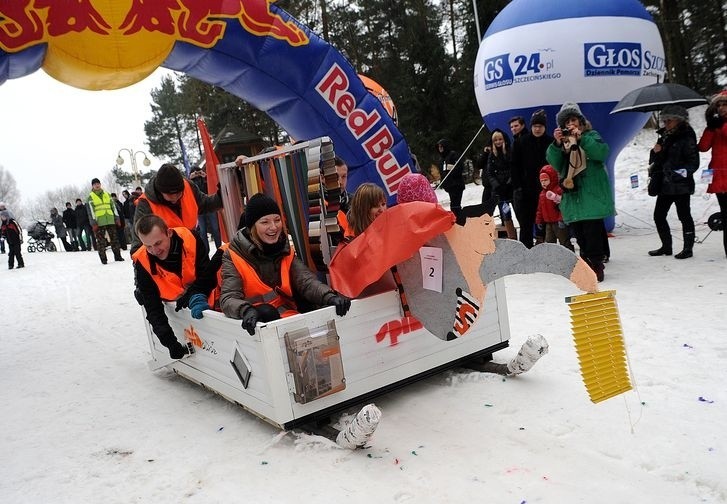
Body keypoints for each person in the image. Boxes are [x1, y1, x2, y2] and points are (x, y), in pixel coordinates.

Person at [219, 193, 351, 335]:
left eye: (277, 220)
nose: (274, 227)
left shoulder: (285, 249)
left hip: (288, 321)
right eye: (265, 222)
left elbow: (306, 282)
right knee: (267, 312)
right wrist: (246, 310)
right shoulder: (233, 255)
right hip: (254, 326)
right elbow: (228, 298)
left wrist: (329, 296)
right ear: (252, 227)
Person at [133, 215, 219, 359]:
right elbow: (153, 308)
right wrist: (170, 343)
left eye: (158, 243)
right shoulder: (142, 262)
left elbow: (207, 275)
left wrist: (191, 294)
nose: (154, 250)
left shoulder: (191, 239)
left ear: (169, 233)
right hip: (175, 305)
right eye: (148, 246)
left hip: (205, 296)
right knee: (142, 295)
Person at [546, 102, 614, 281]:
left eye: (573, 120)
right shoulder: (564, 144)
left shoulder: (591, 136)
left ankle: (596, 265)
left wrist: (582, 139)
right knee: (580, 236)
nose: (570, 125)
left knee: (593, 235)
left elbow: (601, 153)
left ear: (581, 122)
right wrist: (556, 143)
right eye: (566, 122)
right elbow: (555, 164)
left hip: (591, 195)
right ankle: (585, 263)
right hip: (573, 197)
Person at [131, 164, 223, 254]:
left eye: (178, 193)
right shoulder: (145, 204)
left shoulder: (188, 187)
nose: (175, 198)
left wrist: (222, 194)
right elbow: (138, 245)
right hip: (167, 261)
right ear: (160, 191)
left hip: (192, 252)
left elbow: (206, 203)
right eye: (170, 195)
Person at [646, 104, 700, 259]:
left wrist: (677, 174)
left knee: (684, 216)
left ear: (679, 120)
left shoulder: (687, 136)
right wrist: (655, 152)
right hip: (664, 183)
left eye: (669, 120)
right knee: (659, 215)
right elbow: (656, 160)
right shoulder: (664, 135)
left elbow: (693, 163)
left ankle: (688, 248)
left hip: (680, 185)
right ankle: (666, 246)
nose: (666, 123)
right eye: (665, 120)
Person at [511, 109, 553, 248]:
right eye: (535, 126)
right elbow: (514, 166)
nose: (537, 129)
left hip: (546, 189)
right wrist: (518, 186)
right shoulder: (520, 142)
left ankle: (546, 246)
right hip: (526, 189)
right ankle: (525, 248)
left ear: (544, 127)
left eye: (540, 126)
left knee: (546, 221)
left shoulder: (550, 143)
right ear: (531, 127)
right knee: (526, 222)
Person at [698, 90, 727, 258]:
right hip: (718, 175)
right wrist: (710, 128)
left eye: (725, 104)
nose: (722, 108)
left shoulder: (722, 125)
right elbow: (703, 147)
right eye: (719, 105)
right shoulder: (715, 124)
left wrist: (721, 125)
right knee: (725, 214)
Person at [486, 129, 517, 239]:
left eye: (500, 139)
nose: (498, 142)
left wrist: (509, 183)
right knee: (506, 216)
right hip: (499, 191)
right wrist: (497, 185)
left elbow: (514, 168)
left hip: (511, 188)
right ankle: (512, 237)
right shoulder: (491, 155)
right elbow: (489, 173)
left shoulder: (510, 151)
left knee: (519, 213)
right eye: (496, 140)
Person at [535, 165, 574, 250]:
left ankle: (571, 257)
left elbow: (563, 206)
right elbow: (540, 209)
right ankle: (550, 259)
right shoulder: (542, 194)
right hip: (548, 223)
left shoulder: (558, 190)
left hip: (558, 222)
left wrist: (562, 219)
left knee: (564, 241)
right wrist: (539, 221)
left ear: (552, 179)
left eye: (545, 180)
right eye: (541, 181)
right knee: (549, 242)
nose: (543, 183)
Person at [87, 177, 124, 264]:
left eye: (98, 183)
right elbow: (90, 211)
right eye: (95, 184)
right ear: (92, 186)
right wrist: (93, 223)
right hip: (99, 222)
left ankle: (118, 256)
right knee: (101, 242)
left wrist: (117, 218)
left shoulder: (107, 194)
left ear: (100, 184)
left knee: (114, 239)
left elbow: (113, 207)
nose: (97, 185)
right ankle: (104, 259)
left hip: (110, 220)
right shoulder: (90, 197)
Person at [190, 166, 222, 254]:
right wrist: (190, 178)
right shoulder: (190, 183)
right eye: (195, 172)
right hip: (198, 209)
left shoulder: (205, 179)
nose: (197, 174)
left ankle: (220, 249)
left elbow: (212, 187)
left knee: (215, 228)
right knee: (203, 231)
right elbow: (189, 191)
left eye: (198, 172)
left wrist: (206, 177)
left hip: (209, 204)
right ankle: (205, 252)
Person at [435, 138, 465, 221]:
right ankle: (457, 220)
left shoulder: (453, 155)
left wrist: (450, 169)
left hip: (456, 185)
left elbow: (459, 168)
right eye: (439, 147)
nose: (440, 148)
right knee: (453, 205)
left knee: (455, 205)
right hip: (449, 186)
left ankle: (459, 221)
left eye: (442, 146)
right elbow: (443, 173)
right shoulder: (441, 160)